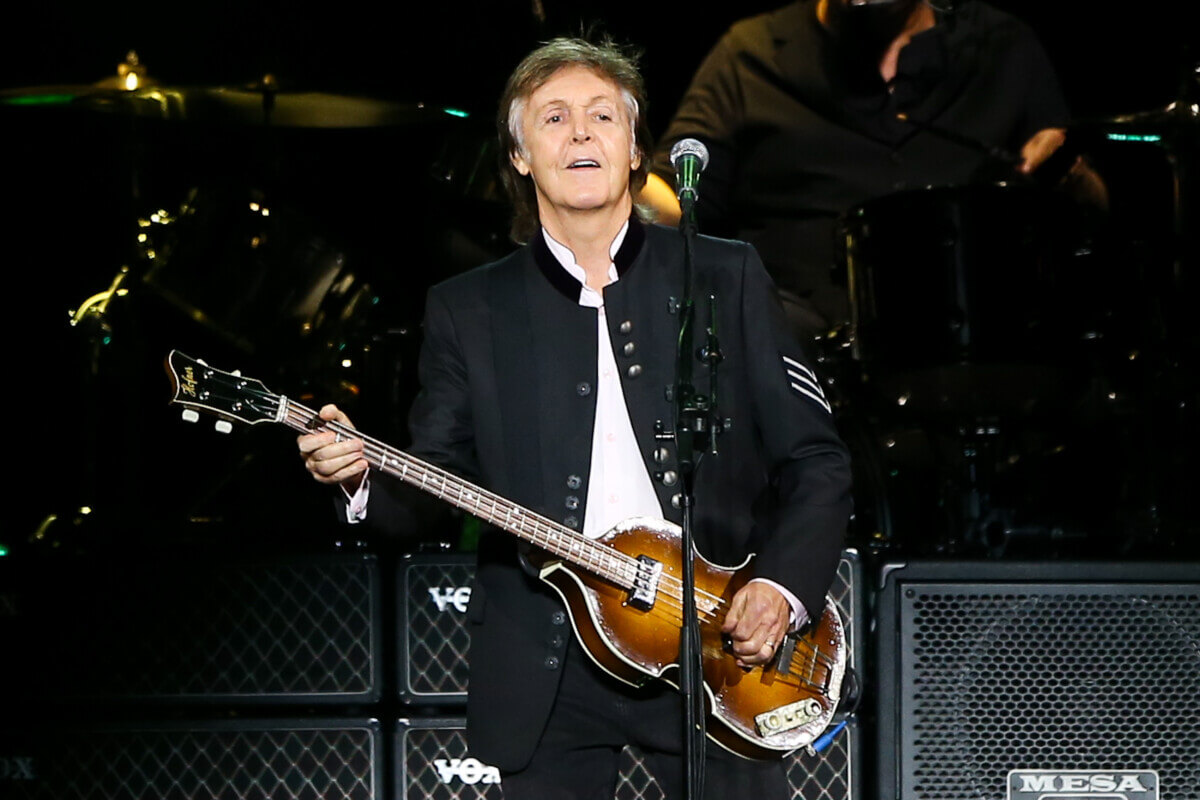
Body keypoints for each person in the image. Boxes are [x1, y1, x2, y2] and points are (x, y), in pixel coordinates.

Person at [297, 37, 852, 800]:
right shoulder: (467, 309)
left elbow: (816, 459)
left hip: (717, 644)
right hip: (544, 662)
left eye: (602, 116)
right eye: (554, 118)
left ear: (636, 150)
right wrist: (360, 478)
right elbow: (432, 486)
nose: (581, 132)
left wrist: (781, 587)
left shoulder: (724, 275)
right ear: (520, 157)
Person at [641, 0, 1095, 335]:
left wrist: (1067, 173)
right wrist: (620, 170)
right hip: (801, 349)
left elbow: (1094, 207)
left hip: (981, 337)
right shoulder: (751, 54)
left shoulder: (1002, 47)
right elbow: (675, 201)